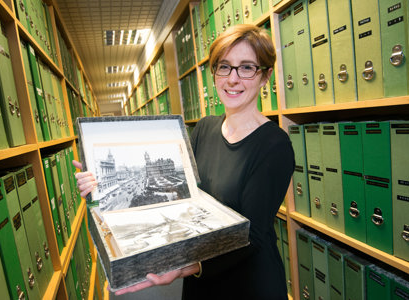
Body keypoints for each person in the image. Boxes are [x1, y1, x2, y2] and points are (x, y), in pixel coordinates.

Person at [73, 23, 295, 299]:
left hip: (246, 284)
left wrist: (184, 268)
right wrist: (99, 189)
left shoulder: (274, 145)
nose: (233, 78)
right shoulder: (204, 129)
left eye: (247, 67)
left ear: (265, 77)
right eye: (224, 66)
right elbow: (181, 197)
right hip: (201, 282)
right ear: (214, 74)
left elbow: (253, 236)